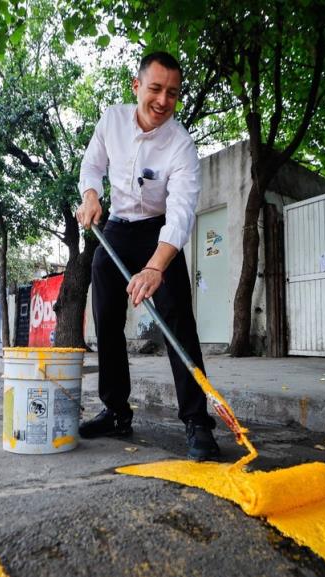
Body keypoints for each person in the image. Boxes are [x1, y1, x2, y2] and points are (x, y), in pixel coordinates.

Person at [75, 51, 219, 461]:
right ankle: (116, 410)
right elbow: (91, 165)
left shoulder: (181, 146)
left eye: (172, 93)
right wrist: (90, 196)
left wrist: (157, 266)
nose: (162, 101)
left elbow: (181, 213)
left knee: (177, 320)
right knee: (106, 317)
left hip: (159, 233)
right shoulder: (112, 120)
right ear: (136, 86)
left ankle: (197, 420)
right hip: (117, 227)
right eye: (155, 89)